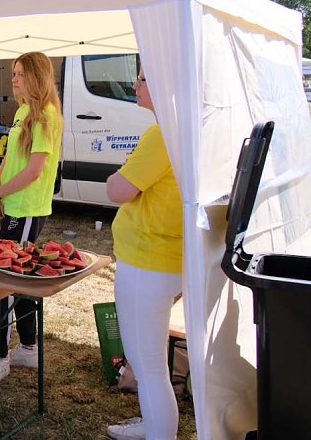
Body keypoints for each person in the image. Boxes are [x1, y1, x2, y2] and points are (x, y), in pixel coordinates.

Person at [0, 51, 63, 386]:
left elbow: (34, 170)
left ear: (37, 77)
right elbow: (10, 157)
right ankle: (28, 347)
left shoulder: (46, 115)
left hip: (27, 209)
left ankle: (0, 358)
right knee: (19, 278)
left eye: (20, 74)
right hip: (12, 204)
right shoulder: (23, 111)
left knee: (3, 281)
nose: (13, 79)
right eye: (13, 73)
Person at [104, 68, 183, 440]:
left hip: (147, 260)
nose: (134, 85)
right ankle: (153, 424)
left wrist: (115, 177)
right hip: (170, 257)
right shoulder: (189, 129)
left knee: (148, 367)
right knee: (152, 363)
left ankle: (159, 431)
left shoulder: (162, 133)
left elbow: (118, 189)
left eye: (142, 77)